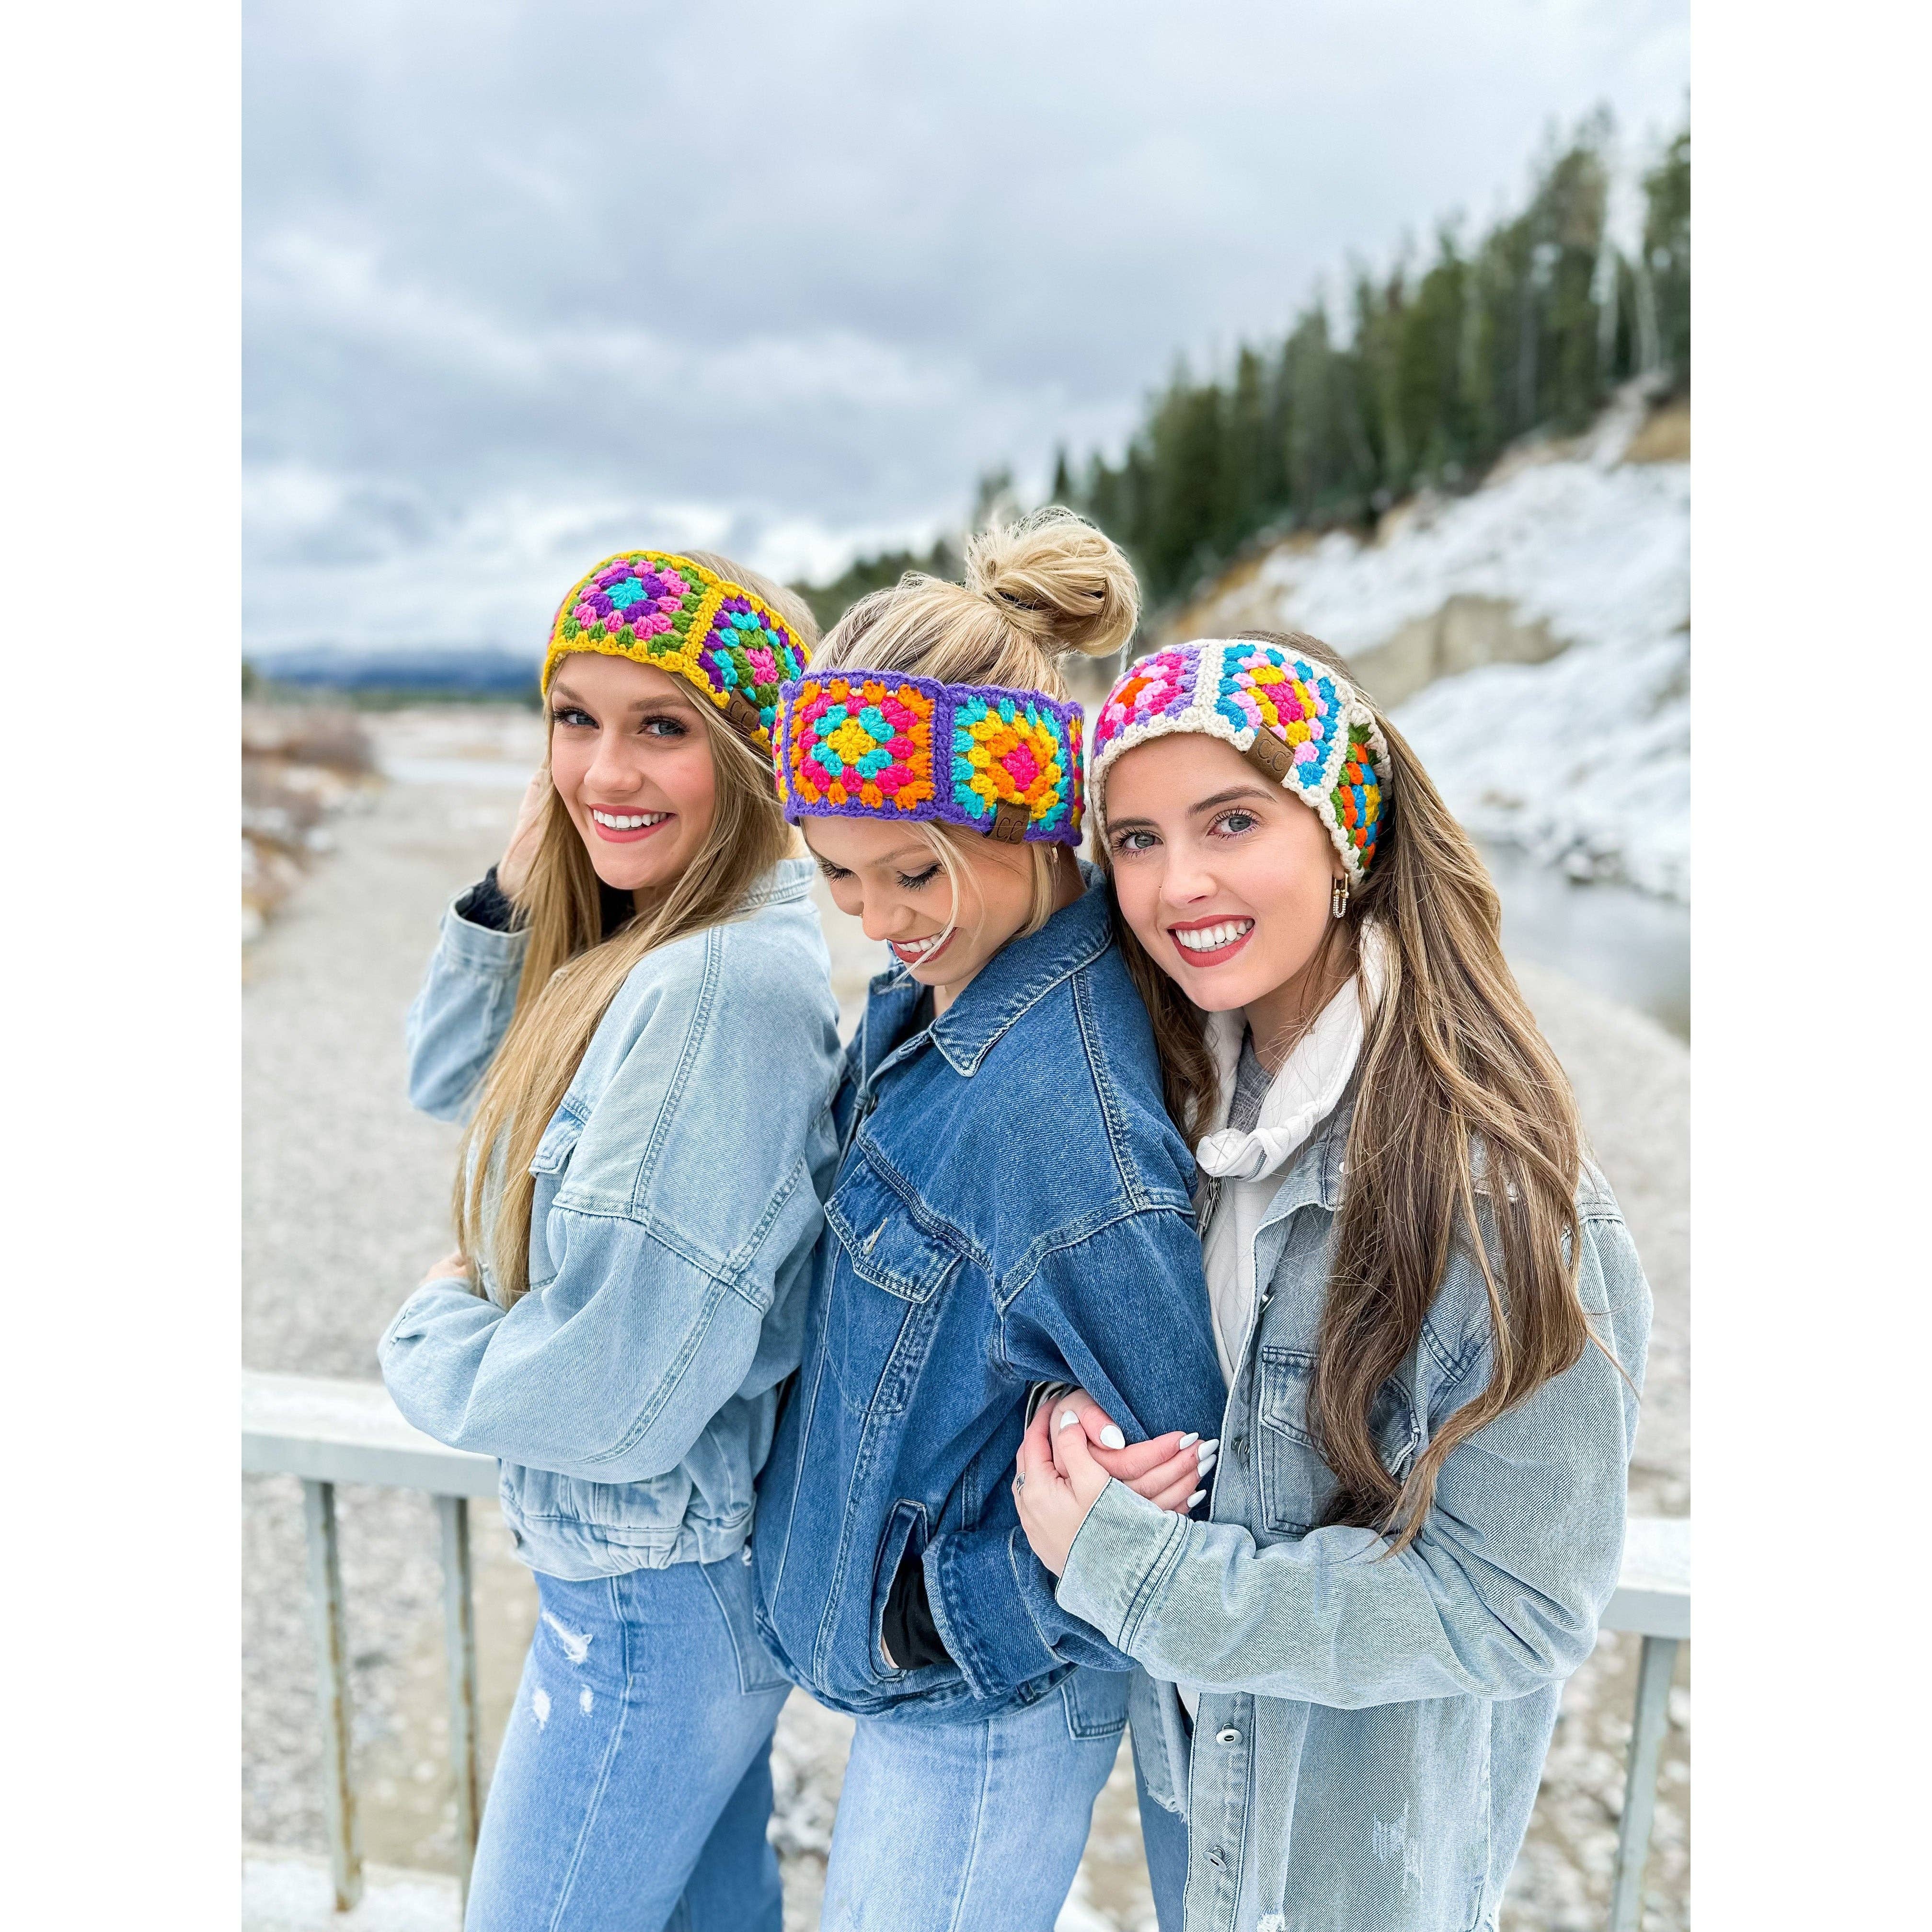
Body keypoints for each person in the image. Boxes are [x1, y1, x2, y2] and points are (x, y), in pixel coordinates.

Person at [1012, 632, 1654, 1932]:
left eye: (1231, 820)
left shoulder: (1492, 1191)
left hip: (1361, 1862)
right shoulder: (1182, 1104)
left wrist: (1142, 1575)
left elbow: (1518, 1606)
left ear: (1345, 828)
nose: (1177, 883)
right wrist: (1084, 1426)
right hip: (1209, 1788)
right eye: (1134, 840)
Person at [749, 511, 1226, 1931]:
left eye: (914, 872)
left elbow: (1185, 1456)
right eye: (838, 873)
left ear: (1027, 818)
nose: (876, 918)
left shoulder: (1055, 1117)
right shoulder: (934, 990)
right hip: (924, 1680)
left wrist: (949, 1604)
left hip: (983, 1701)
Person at [378, 550, 845, 1932]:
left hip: (650, 1612)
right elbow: (448, 1079)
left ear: (753, 756)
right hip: (662, 1597)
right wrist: (524, 876)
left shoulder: (716, 989)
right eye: (574, 720)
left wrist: (428, 1336)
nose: (606, 769)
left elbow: (612, 1396)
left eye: (662, 728)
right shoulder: (646, 950)